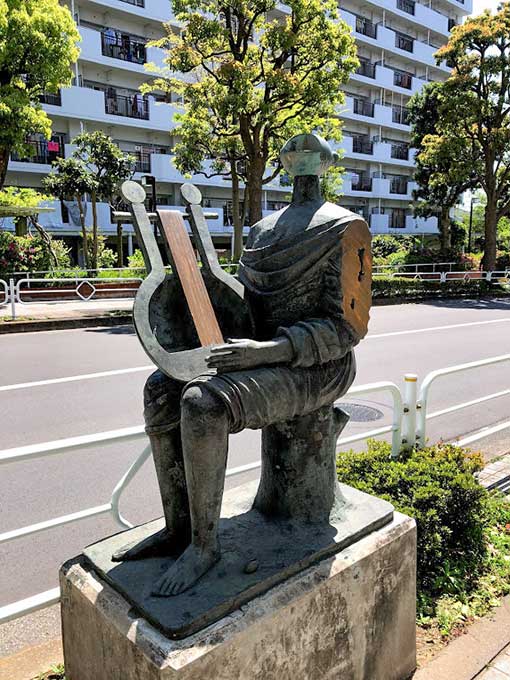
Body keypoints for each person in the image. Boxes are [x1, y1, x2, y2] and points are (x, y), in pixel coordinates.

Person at [113, 134, 365, 597]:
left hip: (319, 366)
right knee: (161, 388)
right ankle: (179, 527)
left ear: (322, 164)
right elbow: (246, 312)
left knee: (203, 403)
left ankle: (205, 546)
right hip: (259, 353)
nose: (300, 159)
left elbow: (345, 329)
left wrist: (265, 352)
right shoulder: (262, 231)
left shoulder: (347, 227)